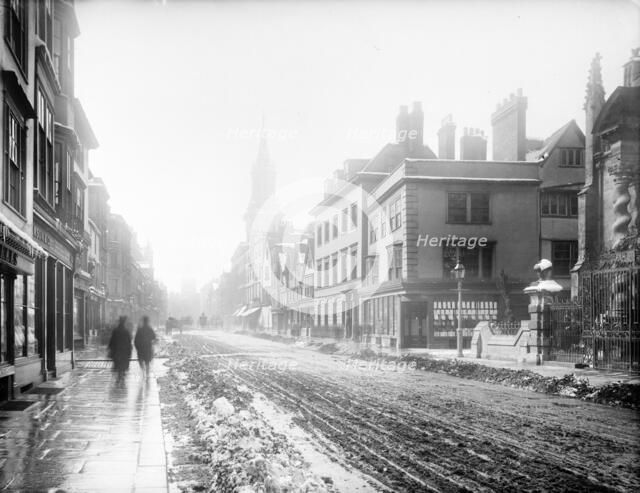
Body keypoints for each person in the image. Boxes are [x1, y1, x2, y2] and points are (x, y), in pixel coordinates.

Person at [108, 316, 132, 385]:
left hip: (117, 350)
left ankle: (119, 376)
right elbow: (129, 342)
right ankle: (122, 375)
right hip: (124, 351)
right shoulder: (126, 331)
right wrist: (129, 350)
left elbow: (112, 340)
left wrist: (110, 348)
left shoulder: (115, 330)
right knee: (123, 364)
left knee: (118, 363)